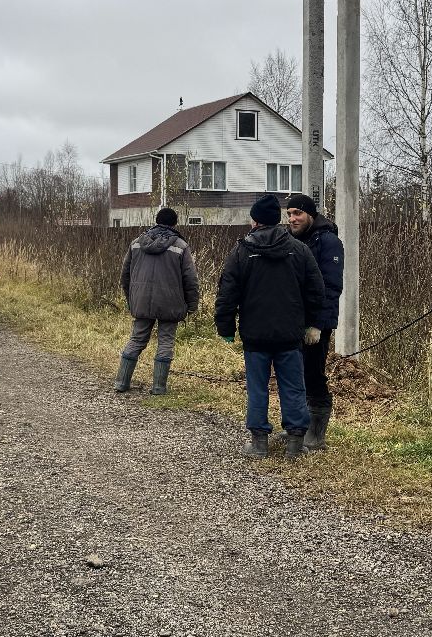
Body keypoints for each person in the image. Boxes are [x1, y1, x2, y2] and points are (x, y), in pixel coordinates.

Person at [214, 193, 326, 460]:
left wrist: (226, 327)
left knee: (257, 387)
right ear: (277, 220)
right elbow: (316, 290)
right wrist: (312, 323)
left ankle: (259, 443)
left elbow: (227, 294)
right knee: (293, 387)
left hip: (255, 335)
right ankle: (295, 444)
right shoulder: (299, 250)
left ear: (255, 221)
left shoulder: (241, 251)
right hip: (290, 335)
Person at [116, 206, 199, 395]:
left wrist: (131, 299)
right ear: (175, 223)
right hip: (170, 302)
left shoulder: (136, 243)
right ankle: (159, 387)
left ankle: (121, 382)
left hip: (141, 300)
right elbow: (191, 279)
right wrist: (192, 305)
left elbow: (125, 275)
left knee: (137, 339)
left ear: (156, 221)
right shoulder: (180, 246)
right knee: (166, 341)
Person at [284, 192, 344, 452]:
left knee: (313, 373)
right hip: (293, 318)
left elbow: (331, 286)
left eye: (297, 213)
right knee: (294, 374)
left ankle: (316, 434)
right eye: (289, 214)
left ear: (310, 214)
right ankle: (298, 427)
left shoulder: (328, 241)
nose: (292, 219)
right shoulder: (291, 239)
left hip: (316, 323)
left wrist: (318, 324)